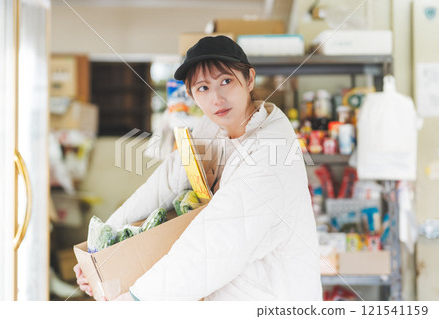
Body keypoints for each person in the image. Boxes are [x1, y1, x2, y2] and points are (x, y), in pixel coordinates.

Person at [74, 35, 322, 301]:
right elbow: (164, 185)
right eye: (203, 88)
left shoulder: (270, 152)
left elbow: (215, 245)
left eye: (226, 81)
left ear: (249, 79)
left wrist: (138, 299)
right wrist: (98, 250)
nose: (217, 98)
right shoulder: (211, 127)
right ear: (191, 94)